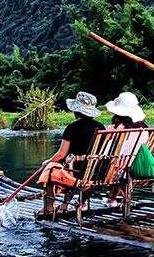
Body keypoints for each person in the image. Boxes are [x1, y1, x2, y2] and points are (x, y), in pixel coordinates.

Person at [36, 90, 105, 218]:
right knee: (70, 167)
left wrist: (47, 162)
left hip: (79, 172)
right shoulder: (101, 127)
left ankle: (49, 208)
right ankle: (64, 205)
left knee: (50, 170)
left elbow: (61, 154)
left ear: (76, 111)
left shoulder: (72, 128)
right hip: (99, 171)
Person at [104, 91, 150, 207]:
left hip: (116, 170)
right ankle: (115, 199)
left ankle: (110, 199)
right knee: (124, 166)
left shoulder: (114, 128)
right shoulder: (145, 131)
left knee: (116, 164)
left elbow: (105, 149)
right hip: (137, 167)